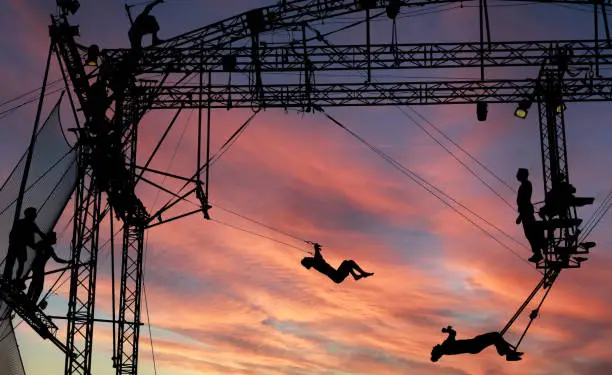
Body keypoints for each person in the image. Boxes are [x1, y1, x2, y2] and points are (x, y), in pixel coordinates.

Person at [431, 326, 523, 362]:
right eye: (433, 350)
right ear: (437, 352)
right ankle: (506, 353)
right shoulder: (445, 347)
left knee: (495, 337)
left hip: (474, 347)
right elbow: (453, 334)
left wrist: (449, 331)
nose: (433, 348)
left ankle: (507, 353)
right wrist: (448, 330)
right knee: (495, 335)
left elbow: (452, 334)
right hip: (474, 344)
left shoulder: (445, 350)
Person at [2, 207, 45, 283]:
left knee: (20, 264)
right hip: (15, 246)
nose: (35, 216)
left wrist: (45, 239)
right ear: (29, 214)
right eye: (34, 214)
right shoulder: (21, 223)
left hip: (20, 247)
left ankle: (16, 279)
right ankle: (7, 279)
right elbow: (12, 235)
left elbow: (40, 233)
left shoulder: (32, 225)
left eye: (35, 214)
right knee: (11, 264)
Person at [26, 232, 69, 305]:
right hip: (37, 266)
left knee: (35, 284)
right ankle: (30, 301)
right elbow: (33, 246)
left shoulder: (48, 248)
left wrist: (67, 262)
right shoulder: (43, 245)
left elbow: (56, 259)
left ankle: (30, 300)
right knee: (37, 285)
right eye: (54, 239)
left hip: (38, 267)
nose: (55, 240)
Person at [300, 243, 374, 284]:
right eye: (307, 258)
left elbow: (318, 257)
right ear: (308, 261)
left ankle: (356, 276)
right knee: (349, 263)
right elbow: (318, 257)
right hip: (337, 277)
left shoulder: (315, 263)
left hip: (337, 276)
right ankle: (362, 274)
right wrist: (316, 248)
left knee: (347, 263)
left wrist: (316, 249)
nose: (309, 257)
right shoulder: (316, 264)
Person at [515, 168, 546, 263]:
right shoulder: (524, 185)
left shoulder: (526, 184)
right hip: (525, 212)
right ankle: (539, 250)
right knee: (529, 233)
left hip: (526, 211)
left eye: (519, 174)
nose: (517, 176)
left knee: (530, 232)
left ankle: (539, 251)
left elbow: (524, 201)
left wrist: (520, 216)